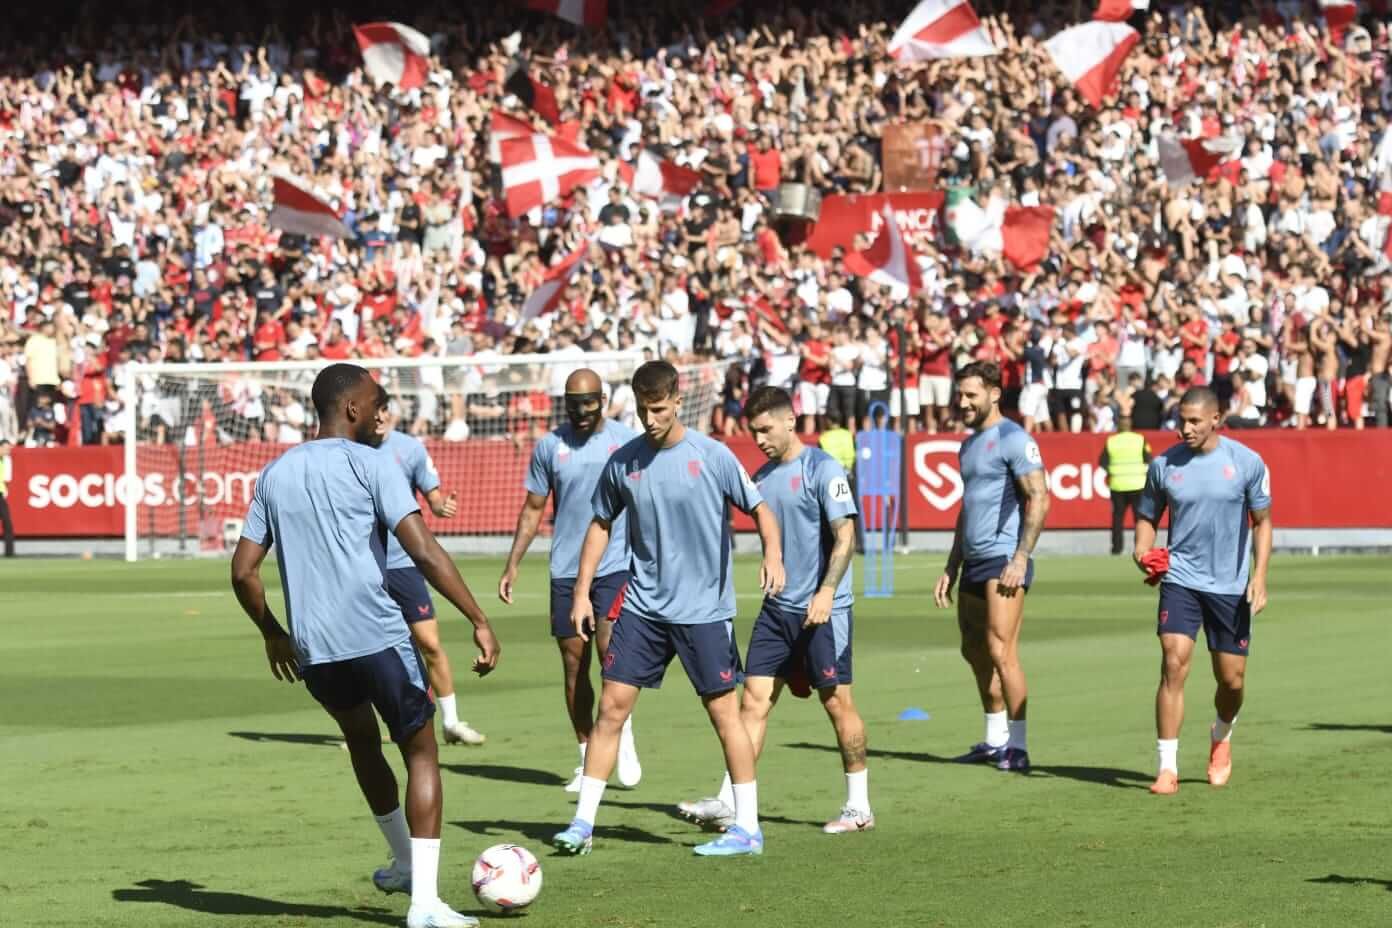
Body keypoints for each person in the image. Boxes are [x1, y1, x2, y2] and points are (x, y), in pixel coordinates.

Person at [230, 363, 500, 928]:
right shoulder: (372, 463)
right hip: (376, 635)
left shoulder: (276, 473)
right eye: (375, 401)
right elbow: (423, 551)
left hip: (315, 649)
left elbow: (243, 572)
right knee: (421, 751)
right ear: (350, 408)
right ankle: (425, 904)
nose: (381, 412)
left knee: (361, 742)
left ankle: (404, 863)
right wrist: (477, 616)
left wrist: (273, 634)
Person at [551, 361, 785, 858]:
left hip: (703, 611)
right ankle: (583, 823)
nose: (650, 419)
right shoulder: (625, 461)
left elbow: (761, 509)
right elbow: (599, 524)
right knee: (611, 708)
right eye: (641, 410)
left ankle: (747, 828)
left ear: (678, 401)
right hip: (643, 606)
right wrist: (580, 591)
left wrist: (773, 554)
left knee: (724, 715)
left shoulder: (713, 455)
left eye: (658, 409)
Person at [677, 386, 870, 834]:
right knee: (753, 704)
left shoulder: (823, 469)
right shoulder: (760, 478)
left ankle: (859, 807)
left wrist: (825, 592)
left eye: (766, 429)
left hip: (826, 609)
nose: (760, 438)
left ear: (790, 421)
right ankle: (729, 800)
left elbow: (845, 536)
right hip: (777, 611)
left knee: (837, 702)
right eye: (754, 431)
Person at [499, 368, 642, 792]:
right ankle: (585, 757)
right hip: (564, 567)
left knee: (611, 653)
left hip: (615, 565)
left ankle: (621, 735)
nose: (581, 412)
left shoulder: (624, 442)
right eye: (573, 404)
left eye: (589, 403)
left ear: (602, 399)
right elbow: (532, 509)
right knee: (574, 664)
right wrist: (512, 564)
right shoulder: (550, 446)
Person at [1133, 387, 1272, 796]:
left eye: (1195, 420)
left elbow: (1263, 522)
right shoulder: (1163, 464)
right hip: (1181, 579)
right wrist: (1142, 548)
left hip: (1229, 587)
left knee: (1231, 680)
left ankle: (1222, 735)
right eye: (1182, 419)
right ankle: (1167, 768)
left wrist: (1259, 576)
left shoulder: (1246, 462)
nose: (1186, 428)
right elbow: (1147, 514)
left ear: (1217, 419)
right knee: (1173, 662)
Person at [933, 362, 1050, 773]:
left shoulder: (1014, 439)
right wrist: (952, 563)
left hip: (1004, 560)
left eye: (970, 395)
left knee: (1003, 652)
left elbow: (1039, 496)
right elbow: (968, 507)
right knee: (974, 649)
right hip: (974, 560)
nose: (962, 402)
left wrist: (1020, 557)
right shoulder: (969, 445)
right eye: (959, 394)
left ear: (995, 393)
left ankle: (1018, 748)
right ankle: (995, 738)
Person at [377, 394, 486, 747]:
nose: (379, 418)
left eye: (383, 410)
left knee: (429, 643)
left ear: (389, 412)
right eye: (373, 411)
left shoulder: (409, 449)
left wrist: (441, 506)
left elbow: (433, 497)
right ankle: (373, 725)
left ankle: (451, 721)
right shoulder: (349, 450)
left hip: (405, 562)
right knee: (369, 649)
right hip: (364, 567)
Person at [1100, 415, 1152, 556]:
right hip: (1137, 484)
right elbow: (1149, 459)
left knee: (1117, 519)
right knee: (1139, 519)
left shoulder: (1111, 441)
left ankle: (1117, 549)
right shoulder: (1139, 439)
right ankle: (1140, 548)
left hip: (1118, 485)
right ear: (1130, 425)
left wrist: (1113, 471)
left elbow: (1102, 462)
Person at [0, 439, 13, 557]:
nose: (8, 451)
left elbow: (6, 480)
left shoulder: (7, 461)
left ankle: (9, 553)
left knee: (7, 523)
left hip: (0, 495)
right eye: (5, 448)